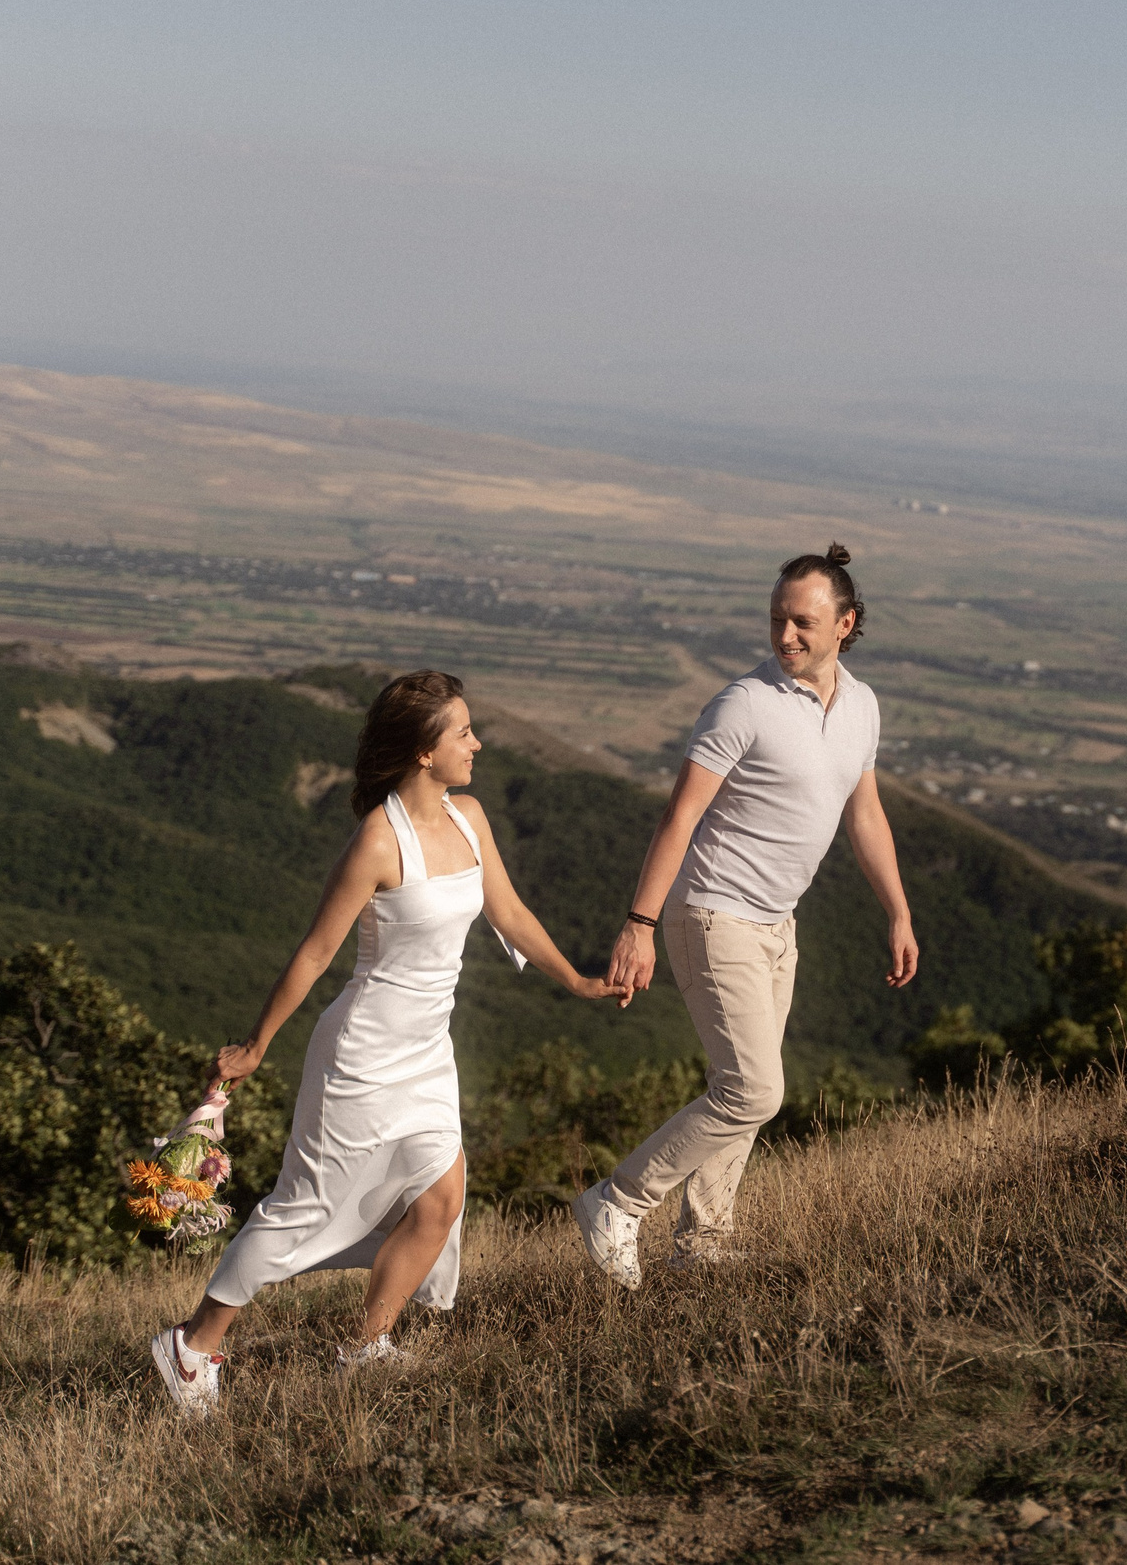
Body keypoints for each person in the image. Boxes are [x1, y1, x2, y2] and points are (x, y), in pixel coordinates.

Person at [151, 670, 624, 1419]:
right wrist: (254, 1047)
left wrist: (576, 980)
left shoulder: (469, 819)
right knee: (302, 1207)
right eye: (462, 732)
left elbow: (508, 910)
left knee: (441, 1197)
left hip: (428, 1054)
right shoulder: (378, 839)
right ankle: (194, 1346)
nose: (478, 742)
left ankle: (365, 1347)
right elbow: (314, 953)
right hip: (361, 1056)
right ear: (422, 752)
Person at [572, 543, 918, 1288]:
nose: (784, 636)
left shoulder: (860, 706)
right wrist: (638, 923)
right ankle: (617, 1201)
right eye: (776, 621)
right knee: (755, 1090)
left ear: (845, 623)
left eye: (802, 623)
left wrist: (898, 911)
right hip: (709, 915)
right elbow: (680, 815)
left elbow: (866, 815)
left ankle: (703, 1244)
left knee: (743, 1092)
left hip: (776, 924)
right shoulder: (745, 703)